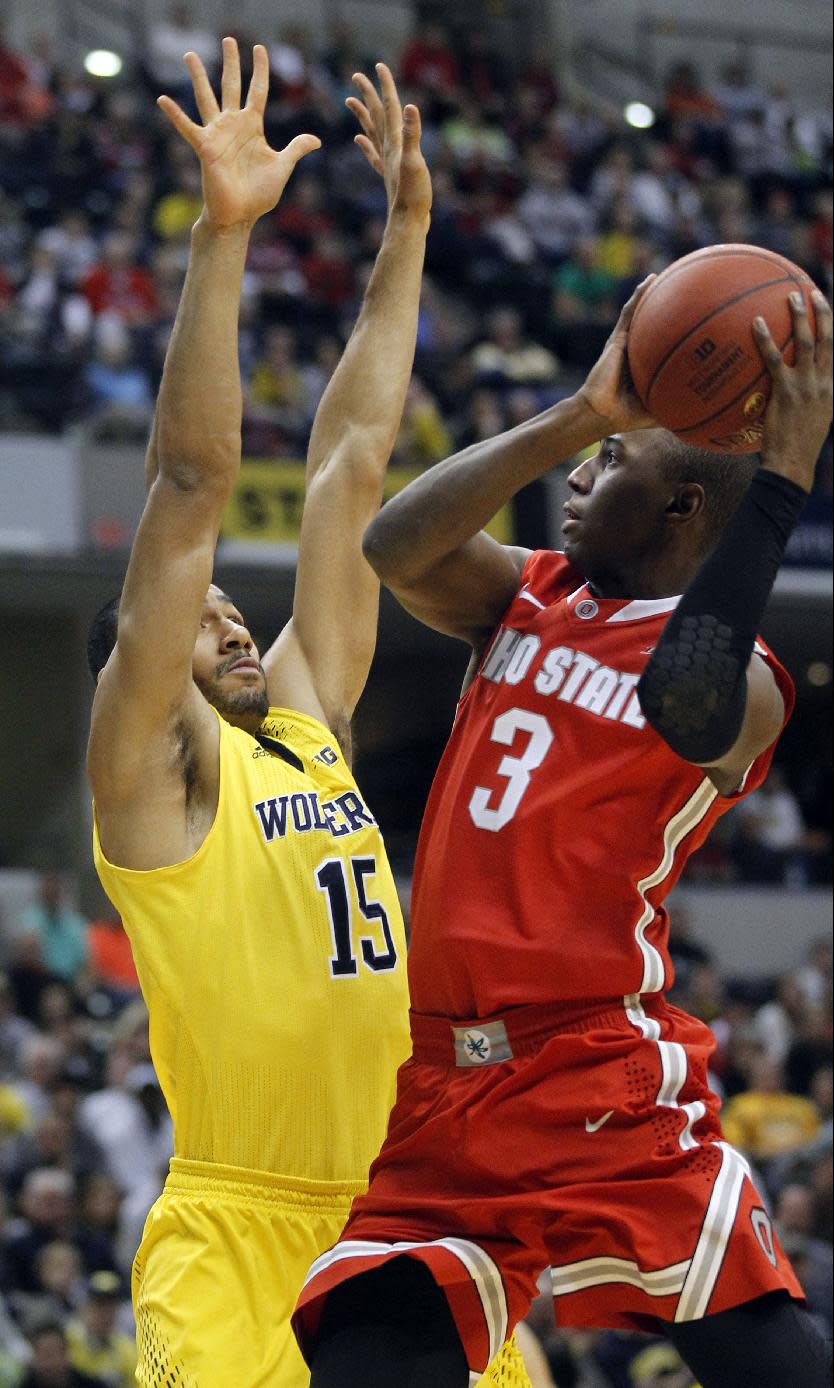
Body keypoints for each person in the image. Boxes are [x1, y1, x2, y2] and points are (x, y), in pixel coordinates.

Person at [293, 270, 833, 1388]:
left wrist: (779, 478)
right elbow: (395, 545)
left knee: (760, 1356)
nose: (579, 480)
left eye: (614, 468)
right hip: (442, 1076)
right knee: (361, 1347)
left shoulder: (747, 684)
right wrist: (590, 413)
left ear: (686, 508)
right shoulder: (528, 592)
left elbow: (686, 694)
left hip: (590, 1066)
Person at [84, 41, 428, 1388]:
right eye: (209, 615)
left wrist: (403, 234)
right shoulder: (152, 780)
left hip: (399, 1218)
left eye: (242, 612)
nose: (232, 622)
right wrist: (224, 239)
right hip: (236, 1237)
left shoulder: (305, 721)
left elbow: (349, 463)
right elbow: (188, 484)